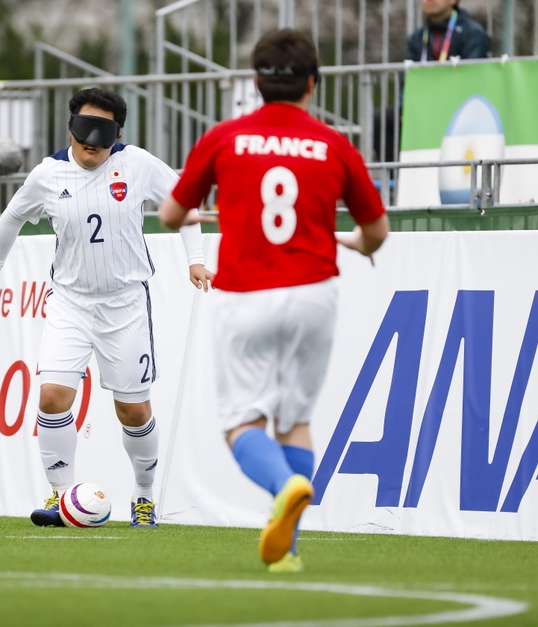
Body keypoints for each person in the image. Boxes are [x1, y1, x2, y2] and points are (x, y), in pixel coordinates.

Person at [159, 29, 389, 572]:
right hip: (315, 293)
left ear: (256, 82)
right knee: (295, 423)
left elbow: (171, 215)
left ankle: (285, 486)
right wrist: (354, 242)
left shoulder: (224, 137)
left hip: (247, 295)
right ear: (313, 83)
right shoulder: (334, 144)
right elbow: (376, 230)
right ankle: (285, 550)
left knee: (242, 424)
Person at [0, 87, 213, 529]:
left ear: (117, 134)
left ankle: (143, 497)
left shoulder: (136, 164)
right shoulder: (47, 174)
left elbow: (184, 203)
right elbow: (11, 218)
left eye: (104, 132)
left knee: (133, 411)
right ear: (70, 128)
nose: (92, 141)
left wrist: (195, 260)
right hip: (70, 304)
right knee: (53, 396)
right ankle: (63, 498)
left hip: (125, 306)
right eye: (84, 129)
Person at [374, 0, 491, 163]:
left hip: (457, 108)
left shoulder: (473, 34)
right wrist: (405, 109)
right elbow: (409, 79)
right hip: (423, 107)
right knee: (382, 121)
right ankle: (400, 181)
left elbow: (472, 80)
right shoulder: (417, 37)